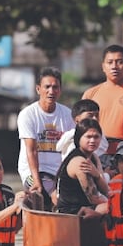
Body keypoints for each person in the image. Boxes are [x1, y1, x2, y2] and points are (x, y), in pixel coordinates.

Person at [17, 67, 74, 210]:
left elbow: (72, 148)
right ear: (38, 89)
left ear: (60, 90)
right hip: (34, 171)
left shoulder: (67, 114)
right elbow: (31, 150)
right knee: (53, 197)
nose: (51, 91)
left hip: (59, 172)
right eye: (47, 87)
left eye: (55, 87)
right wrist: (37, 181)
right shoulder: (28, 114)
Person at [54, 118, 110, 216]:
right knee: (112, 208)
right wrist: (115, 204)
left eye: (96, 137)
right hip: (71, 213)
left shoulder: (94, 157)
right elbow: (93, 198)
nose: (92, 140)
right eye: (88, 137)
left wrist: (97, 175)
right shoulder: (80, 162)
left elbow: (105, 189)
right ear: (79, 138)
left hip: (87, 207)